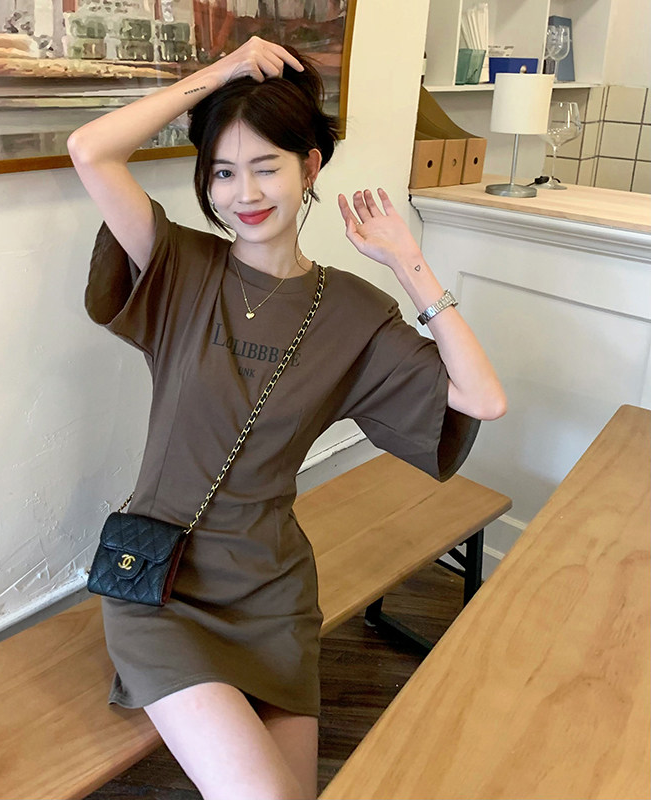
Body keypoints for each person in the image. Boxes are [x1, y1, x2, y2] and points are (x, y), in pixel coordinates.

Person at [68, 36, 506, 800]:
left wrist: (408, 264)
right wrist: (223, 72)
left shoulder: (354, 312)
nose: (244, 192)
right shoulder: (181, 268)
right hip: (163, 586)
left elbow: (483, 399)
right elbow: (91, 150)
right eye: (222, 172)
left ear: (310, 166)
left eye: (266, 166)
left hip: (271, 594)